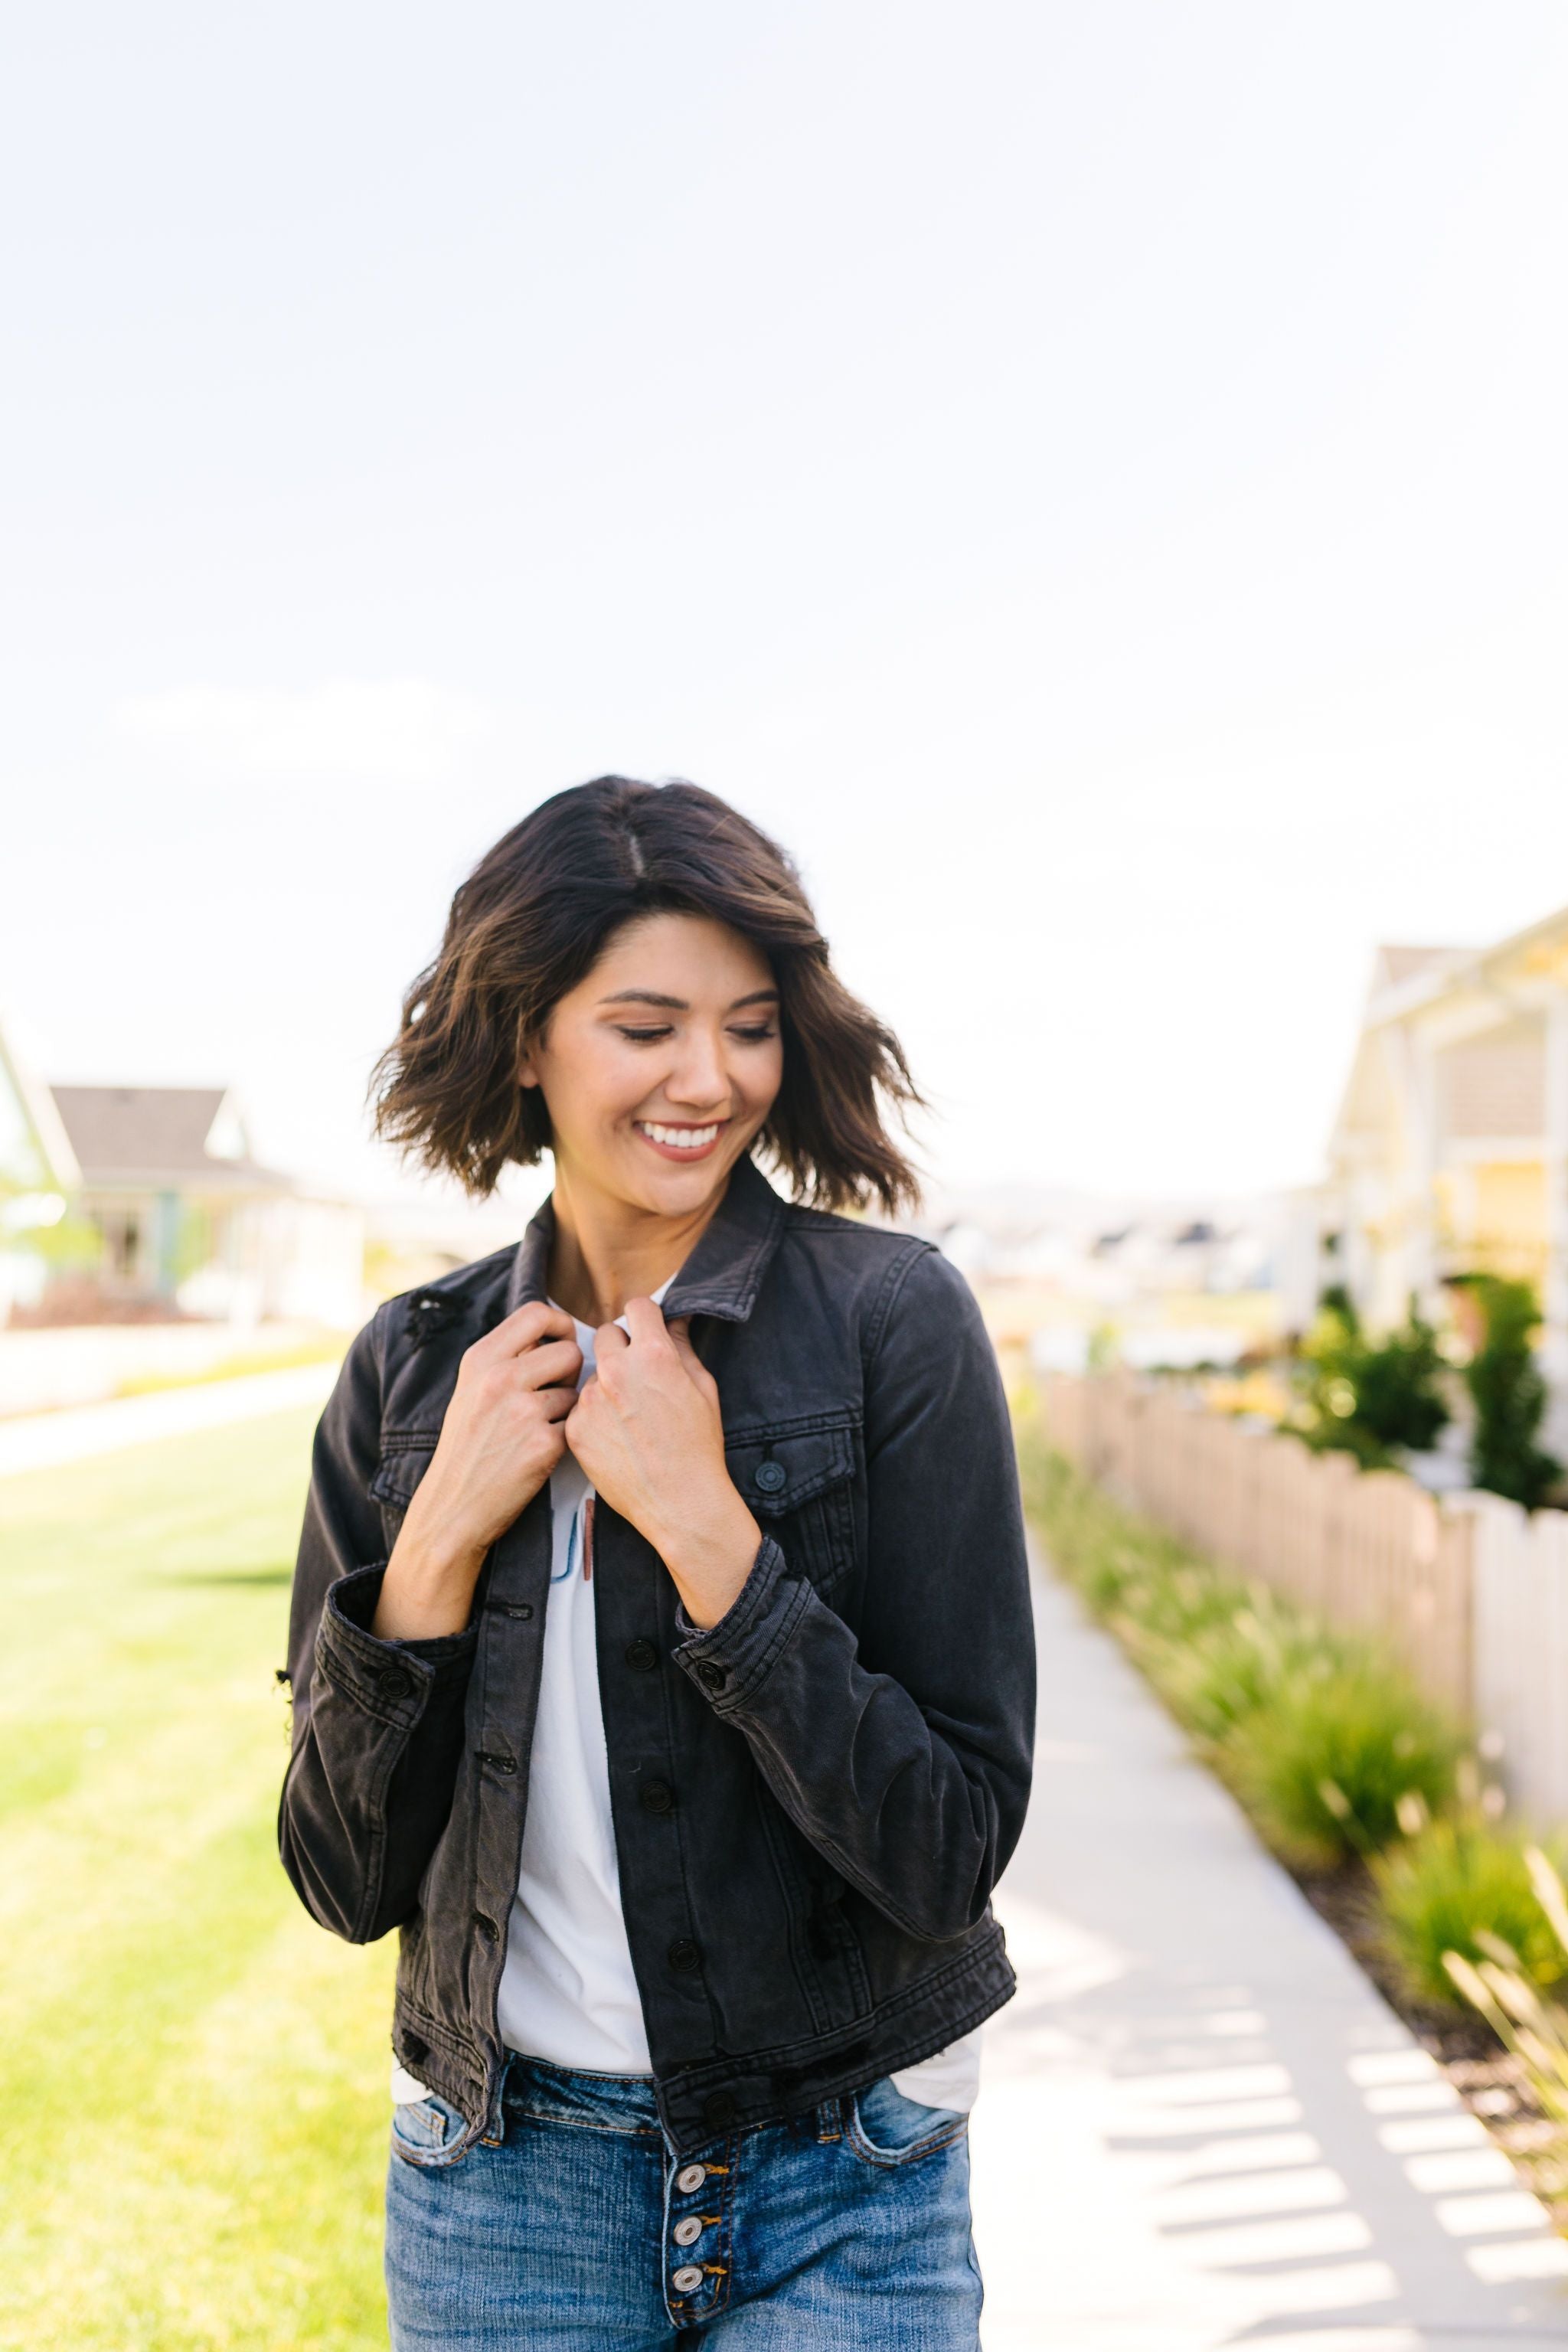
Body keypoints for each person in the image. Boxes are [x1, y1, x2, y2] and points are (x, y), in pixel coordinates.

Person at [279, 776, 1035, 2350]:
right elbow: (341, 1880)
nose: (711, 1077)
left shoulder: (896, 1328)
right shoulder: (410, 1371)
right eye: (646, 1025)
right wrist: (435, 1543)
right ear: (525, 1037)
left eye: (749, 1025)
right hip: (502, 2192)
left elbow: (946, 1851)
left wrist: (706, 1529)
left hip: (845, 2174)